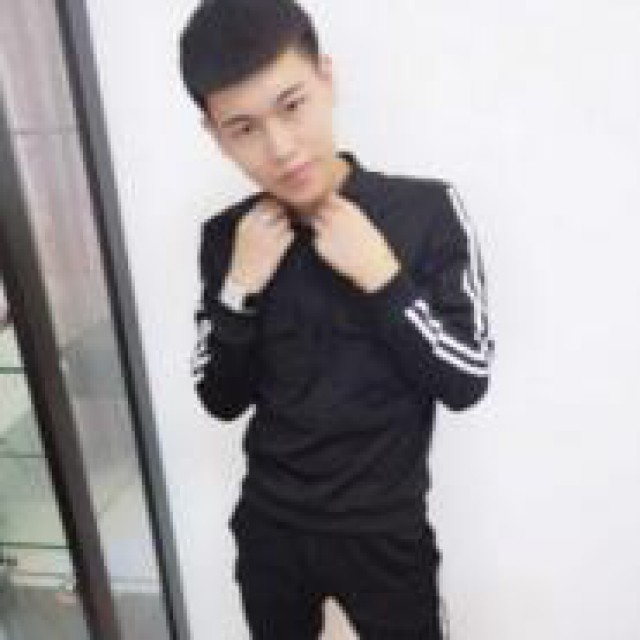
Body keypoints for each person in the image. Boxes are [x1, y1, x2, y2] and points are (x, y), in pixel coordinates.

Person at [180, 1, 494, 637]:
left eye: (291, 105)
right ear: (215, 134)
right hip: (271, 528)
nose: (280, 148)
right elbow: (220, 398)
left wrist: (384, 279)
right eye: (243, 128)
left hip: (385, 530)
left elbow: (467, 379)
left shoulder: (426, 211)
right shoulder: (227, 238)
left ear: (326, 78)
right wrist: (240, 288)